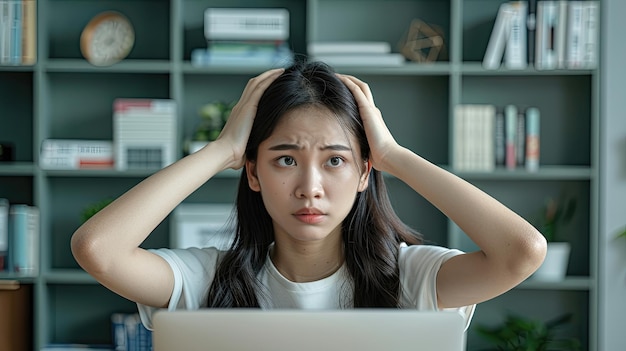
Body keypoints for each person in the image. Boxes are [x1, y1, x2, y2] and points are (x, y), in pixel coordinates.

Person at [71, 61, 547, 330]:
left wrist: (394, 155)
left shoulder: (410, 279)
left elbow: (522, 252)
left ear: (364, 173)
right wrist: (222, 150)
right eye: (285, 159)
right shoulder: (206, 281)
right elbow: (98, 249)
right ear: (252, 173)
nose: (310, 187)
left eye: (335, 160)